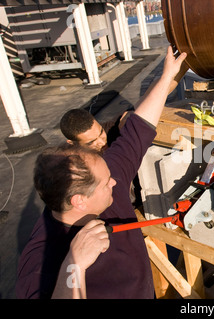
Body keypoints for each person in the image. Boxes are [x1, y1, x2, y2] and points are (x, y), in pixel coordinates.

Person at [15, 46, 188, 299]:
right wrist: (73, 265)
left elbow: (137, 130)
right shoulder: (41, 259)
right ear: (79, 200)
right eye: (106, 182)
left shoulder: (105, 179)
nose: (116, 182)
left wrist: (166, 77)